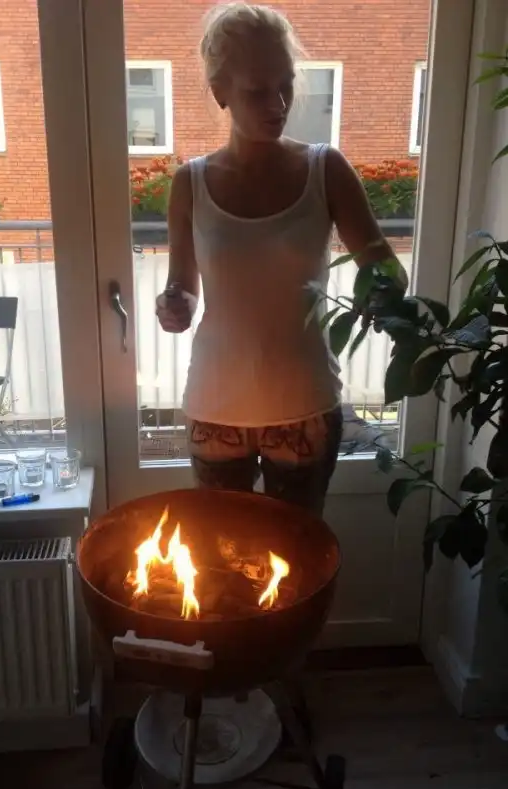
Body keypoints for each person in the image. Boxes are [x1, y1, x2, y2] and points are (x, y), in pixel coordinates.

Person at [156, 2, 406, 517]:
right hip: (216, 404)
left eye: (286, 85)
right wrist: (172, 305)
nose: (278, 104)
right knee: (220, 552)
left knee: (296, 556)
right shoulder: (190, 183)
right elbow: (184, 287)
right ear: (220, 92)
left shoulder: (325, 169)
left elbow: (386, 269)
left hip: (304, 403)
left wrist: (382, 291)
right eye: (257, 91)